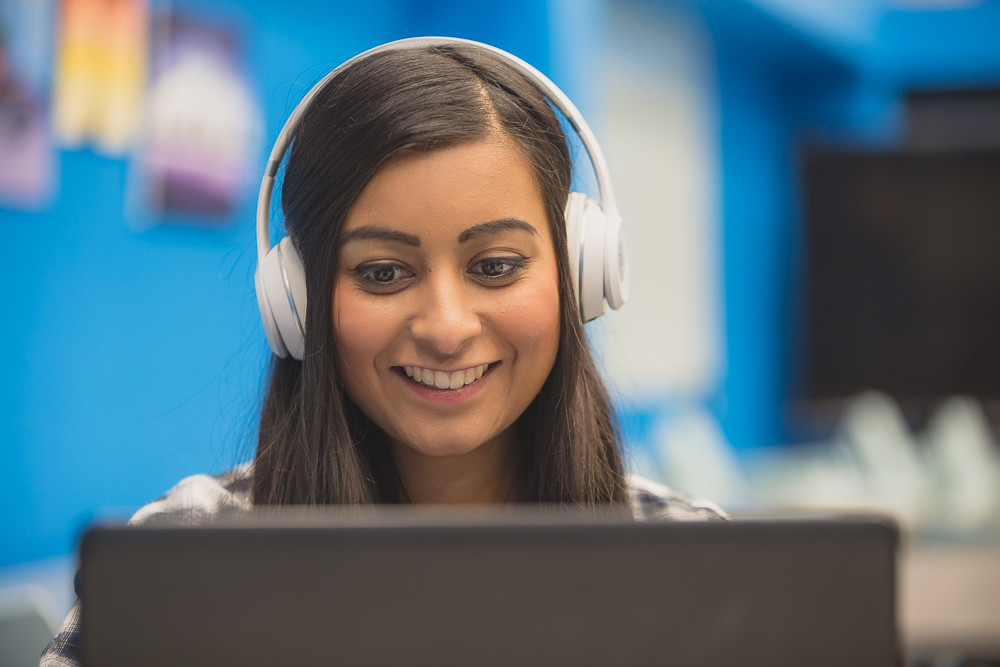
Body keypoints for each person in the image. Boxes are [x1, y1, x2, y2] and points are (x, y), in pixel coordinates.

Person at [40, 39, 725, 666]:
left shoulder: (699, 561)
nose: (447, 327)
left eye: (494, 266)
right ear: (299, 300)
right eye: (382, 273)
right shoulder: (184, 555)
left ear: (579, 274)